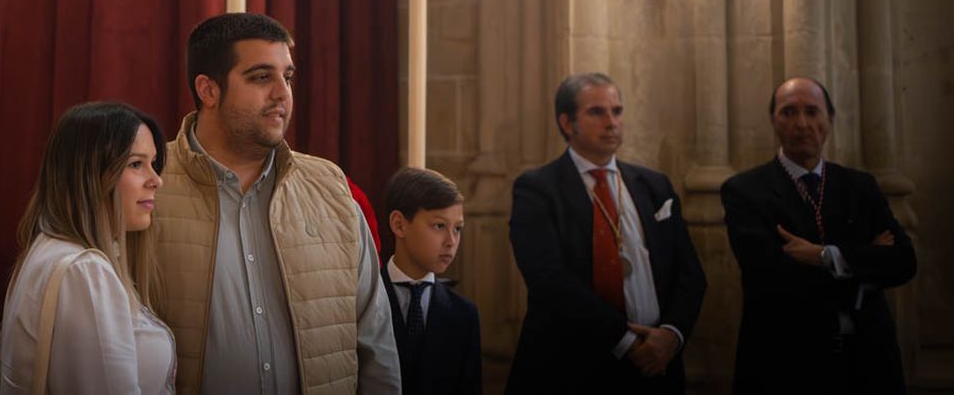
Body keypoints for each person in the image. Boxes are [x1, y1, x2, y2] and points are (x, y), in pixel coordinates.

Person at [153, 12, 400, 394]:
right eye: (261, 77)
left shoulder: (331, 190)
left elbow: (375, 340)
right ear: (209, 90)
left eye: (287, 77)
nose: (282, 94)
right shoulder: (148, 188)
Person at [506, 73, 706, 394]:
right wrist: (626, 342)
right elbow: (548, 279)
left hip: (658, 361)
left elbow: (690, 273)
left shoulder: (654, 186)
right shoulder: (538, 189)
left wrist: (671, 334)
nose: (611, 122)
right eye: (597, 112)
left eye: (617, 111)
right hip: (574, 363)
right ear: (567, 123)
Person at [721, 77, 916, 393]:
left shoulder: (861, 186)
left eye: (812, 112)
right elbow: (770, 278)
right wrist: (865, 262)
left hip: (868, 360)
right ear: (773, 121)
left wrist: (824, 256)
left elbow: (904, 262)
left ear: (830, 120)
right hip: (787, 361)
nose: (801, 124)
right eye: (788, 112)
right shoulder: (745, 191)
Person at [0, 102, 174, 394]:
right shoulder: (85, 273)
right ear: (91, 175)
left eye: (153, 163)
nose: (156, 180)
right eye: (136, 164)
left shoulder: (49, 248)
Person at [380, 167, 481, 395]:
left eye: (457, 229)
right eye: (439, 226)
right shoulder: (364, 300)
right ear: (399, 224)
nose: (451, 241)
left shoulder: (464, 314)